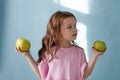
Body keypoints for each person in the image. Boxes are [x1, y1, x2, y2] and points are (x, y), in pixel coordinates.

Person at [16, 11, 106, 80]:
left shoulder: (79, 52)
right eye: (69, 27)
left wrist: (95, 55)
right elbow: (41, 75)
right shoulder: (49, 52)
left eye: (75, 26)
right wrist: (27, 55)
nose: (75, 30)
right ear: (57, 31)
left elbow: (84, 75)